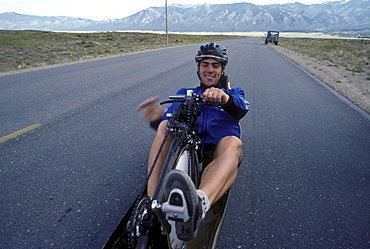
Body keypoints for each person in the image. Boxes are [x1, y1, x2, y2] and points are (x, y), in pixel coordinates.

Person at [138, 42, 250, 241]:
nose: (210, 69)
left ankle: (198, 204)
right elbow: (169, 128)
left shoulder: (234, 94)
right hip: (190, 144)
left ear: (222, 70)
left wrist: (223, 99)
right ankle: (152, 203)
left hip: (218, 150)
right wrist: (156, 119)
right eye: (205, 64)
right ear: (198, 68)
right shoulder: (184, 93)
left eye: (215, 65)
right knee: (165, 127)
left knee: (233, 142)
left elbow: (240, 109)